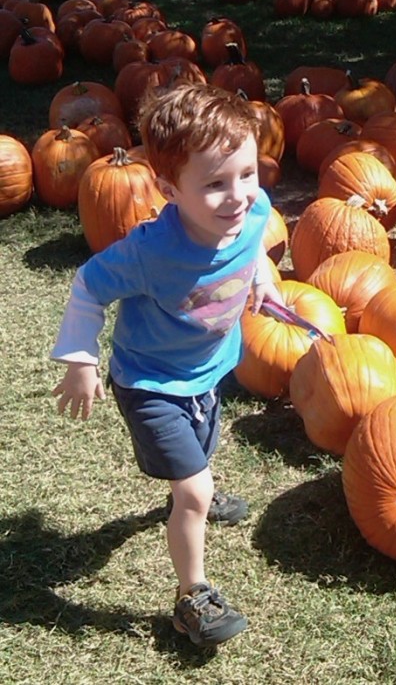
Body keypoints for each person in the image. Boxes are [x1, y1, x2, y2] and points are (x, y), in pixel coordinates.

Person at [50, 82, 282, 648]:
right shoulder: (150, 251)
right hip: (151, 384)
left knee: (202, 456)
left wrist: (266, 283)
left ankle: (191, 490)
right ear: (168, 188)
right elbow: (88, 287)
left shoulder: (253, 212)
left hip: (208, 369)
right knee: (195, 488)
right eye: (215, 184)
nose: (238, 196)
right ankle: (192, 598)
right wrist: (81, 358)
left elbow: (253, 247)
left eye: (246, 174)